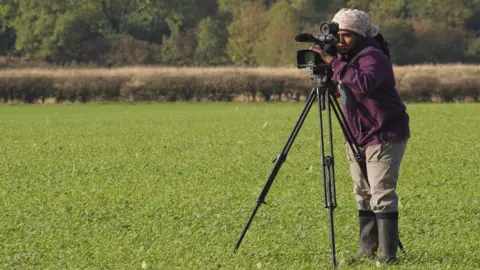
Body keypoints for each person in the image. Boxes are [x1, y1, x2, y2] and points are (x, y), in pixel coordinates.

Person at [311, 8, 410, 265]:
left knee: (381, 192)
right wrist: (330, 76)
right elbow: (346, 89)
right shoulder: (349, 58)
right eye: (338, 36)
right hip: (357, 134)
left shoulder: (373, 56)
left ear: (360, 35)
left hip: (384, 132)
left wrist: (333, 62)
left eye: (346, 36)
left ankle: (388, 256)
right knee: (362, 191)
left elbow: (364, 82)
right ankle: (366, 250)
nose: (340, 41)